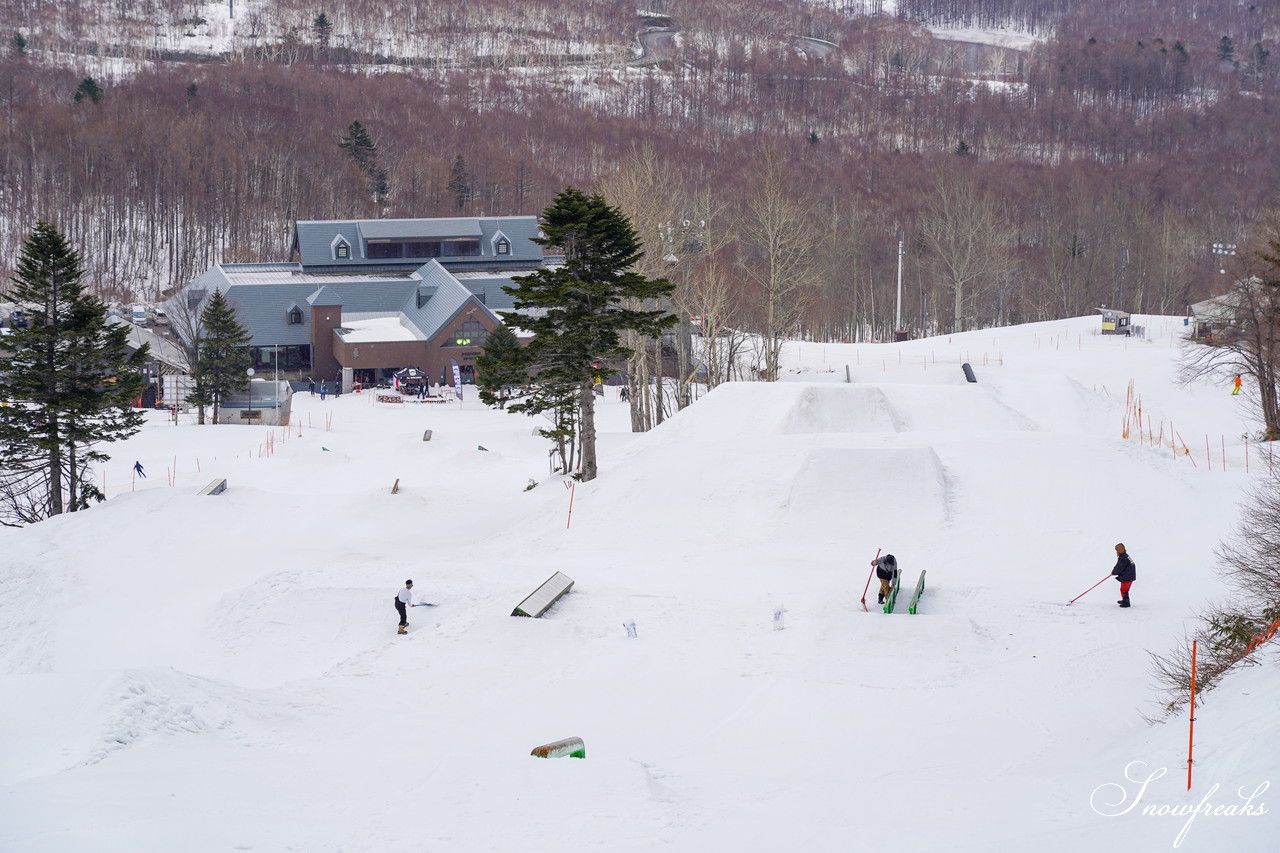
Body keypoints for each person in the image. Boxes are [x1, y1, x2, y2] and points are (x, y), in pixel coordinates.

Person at [1111, 543, 1136, 608]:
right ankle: (1124, 600)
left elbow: (1119, 567)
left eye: (1117, 551)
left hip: (1128, 576)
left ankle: (1126, 603)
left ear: (1120, 551)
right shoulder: (1125, 556)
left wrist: (1114, 572)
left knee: (1124, 589)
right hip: (1128, 575)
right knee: (1123, 589)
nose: (1116, 552)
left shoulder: (1123, 558)